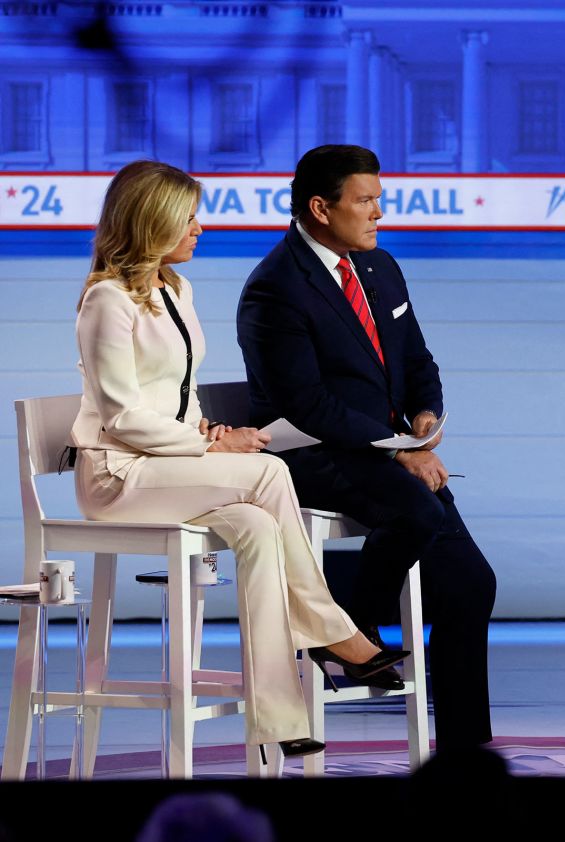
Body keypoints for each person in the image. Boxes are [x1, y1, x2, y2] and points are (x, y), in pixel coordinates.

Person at [71, 160, 406, 759]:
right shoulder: (106, 301)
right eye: (188, 218)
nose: (199, 228)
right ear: (153, 222)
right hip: (117, 475)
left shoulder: (174, 289)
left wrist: (205, 427)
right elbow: (121, 417)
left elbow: (178, 390)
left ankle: (278, 717)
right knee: (270, 469)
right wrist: (211, 445)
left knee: (255, 525)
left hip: (169, 468)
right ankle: (333, 631)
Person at [237, 145, 496, 750]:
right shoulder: (275, 288)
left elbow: (415, 360)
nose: (380, 212)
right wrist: (399, 449)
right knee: (418, 511)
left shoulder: (380, 267)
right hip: (312, 454)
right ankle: (343, 630)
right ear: (321, 208)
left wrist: (425, 417)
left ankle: (465, 754)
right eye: (367, 200)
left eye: (379, 198)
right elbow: (304, 407)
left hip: (387, 454)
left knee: (471, 585)